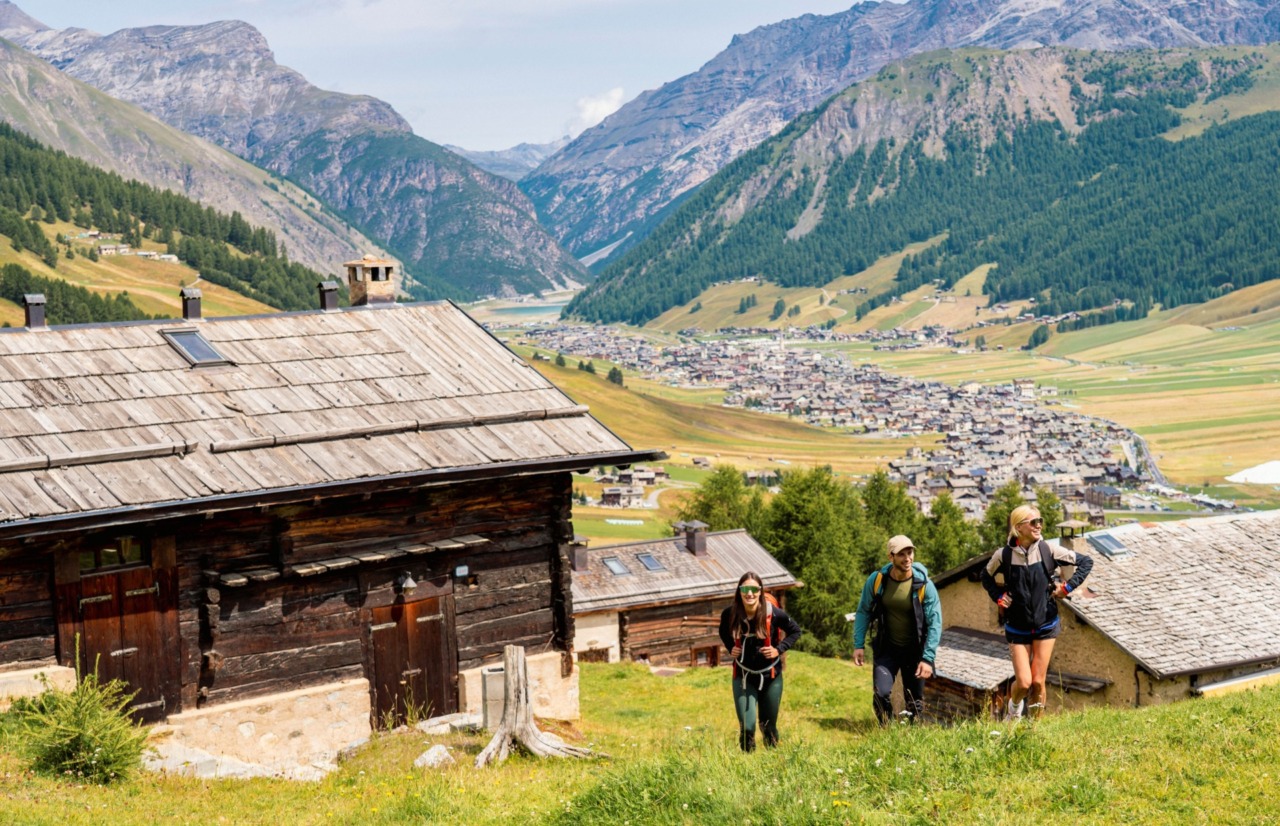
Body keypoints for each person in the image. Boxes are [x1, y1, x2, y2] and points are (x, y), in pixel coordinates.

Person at [981, 504, 1093, 720]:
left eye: (1040, 521)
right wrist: (998, 596)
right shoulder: (1003, 555)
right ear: (1019, 526)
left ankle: (1034, 729)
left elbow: (1086, 562)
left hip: (1046, 624)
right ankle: (1013, 711)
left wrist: (1068, 588)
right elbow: (986, 577)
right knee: (1023, 682)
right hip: (1017, 627)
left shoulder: (1048, 550)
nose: (1039, 525)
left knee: (1038, 682)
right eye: (1034, 522)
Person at [852, 535, 942, 725]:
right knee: (881, 693)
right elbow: (863, 611)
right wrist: (858, 644)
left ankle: (912, 740)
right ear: (890, 557)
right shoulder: (877, 580)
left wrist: (927, 658)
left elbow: (935, 623)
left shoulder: (924, 585)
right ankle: (887, 731)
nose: (907, 558)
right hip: (888, 648)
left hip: (915, 651)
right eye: (901, 554)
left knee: (914, 702)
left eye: (910, 552)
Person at [718, 571, 802, 751]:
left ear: (760, 591)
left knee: (768, 727)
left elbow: (795, 631)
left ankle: (773, 763)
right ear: (739, 591)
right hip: (743, 676)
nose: (749, 593)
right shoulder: (730, 614)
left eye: (754, 589)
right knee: (747, 728)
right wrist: (730, 646)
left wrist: (778, 650)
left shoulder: (773, 613)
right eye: (745, 589)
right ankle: (748, 768)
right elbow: (723, 631)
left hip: (771, 676)